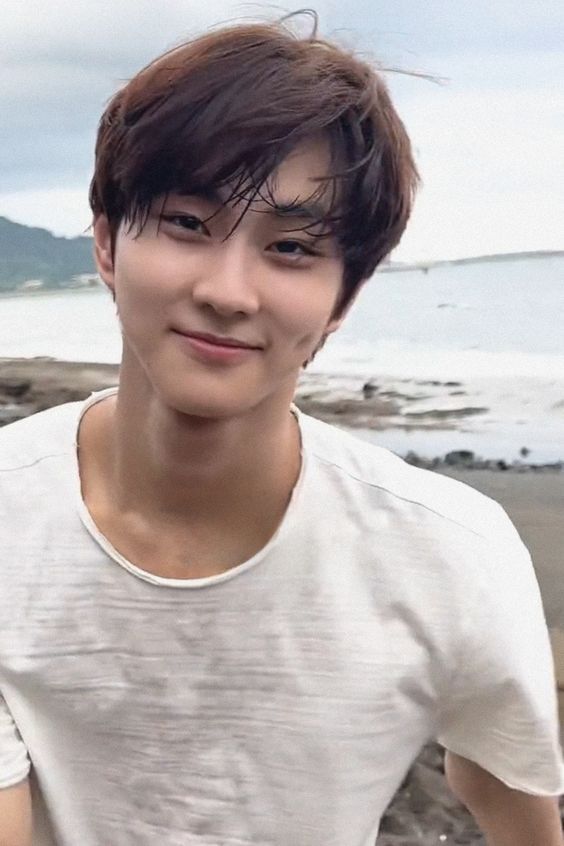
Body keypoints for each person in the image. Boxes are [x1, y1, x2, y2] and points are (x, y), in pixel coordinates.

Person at [1, 14, 563, 846]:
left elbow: (514, 800)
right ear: (109, 244)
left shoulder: (453, 554)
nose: (230, 291)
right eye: (189, 223)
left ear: (345, 298)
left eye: (293, 247)